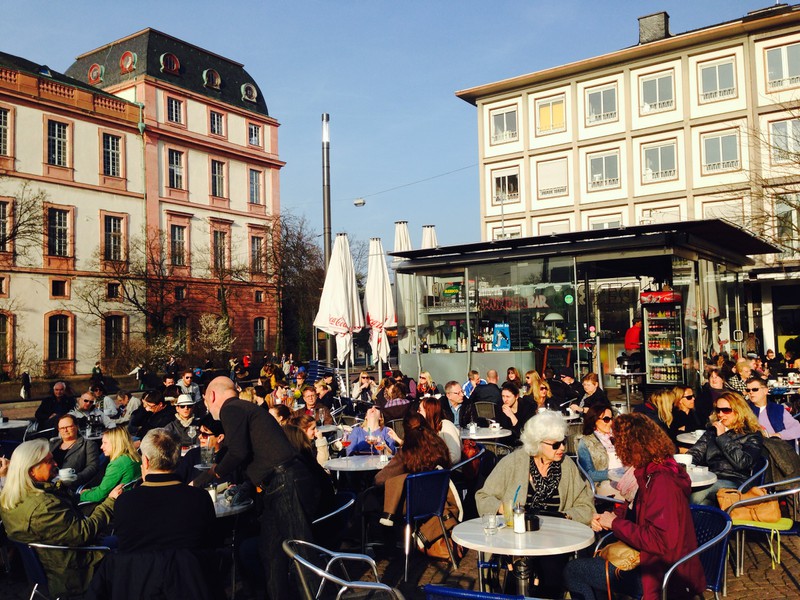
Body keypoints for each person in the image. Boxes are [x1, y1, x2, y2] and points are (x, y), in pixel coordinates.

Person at [200, 376, 320, 600]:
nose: (207, 405)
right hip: (277, 483)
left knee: (301, 553)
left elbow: (238, 452)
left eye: (206, 400)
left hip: (283, 481)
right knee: (270, 552)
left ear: (212, 395)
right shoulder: (245, 408)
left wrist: (212, 473)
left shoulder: (231, 408)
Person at [565, 413, 705, 600]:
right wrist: (610, 517)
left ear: (629, 445)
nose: (615, 447)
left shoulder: (660, 481)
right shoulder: (653, 471)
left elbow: (659, 541)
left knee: (574, 570)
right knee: (593, 560)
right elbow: (639, 511)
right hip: (658, 563)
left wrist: (615, 523)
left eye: (615, 440)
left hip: (660, 573)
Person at [476, 410, 594, 598]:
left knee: (552, 572)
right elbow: (483, 496)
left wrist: (568, 516)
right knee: (519, 570)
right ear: (537, 444)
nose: (562, 448)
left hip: (556, 540)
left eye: (563, 441)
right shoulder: (514, 462)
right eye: (555, 444)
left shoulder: (567, 466)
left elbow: (586, 505)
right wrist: (505, 510)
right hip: (517, 538)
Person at [0, 439, 121, 597]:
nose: (56, 464)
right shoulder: (44, 506)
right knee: (132, 546)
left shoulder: (10, 498)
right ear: (31, 471)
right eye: (49, 461)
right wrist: (110, 502)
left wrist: (58, 485)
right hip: (71, 569)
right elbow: (83, 532)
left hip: (49, 562)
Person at [114, 428, 216, 551]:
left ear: (145, 461)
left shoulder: (125, 501)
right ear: (178, 460)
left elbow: (125, 546)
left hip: (140, 569)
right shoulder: (200, 498)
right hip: (187, 567)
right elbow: (209, 543)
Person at [686, 391, 764, 505]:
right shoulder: (712, 431)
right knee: (702, 503)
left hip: (736, 480)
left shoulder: (751, 434)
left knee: (698, 493)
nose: (721, 414)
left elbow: (743, 463)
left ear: (738, 411)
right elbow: (696, 452)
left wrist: (722, 437)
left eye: (726, 410)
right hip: (710, 476)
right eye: (718, 410)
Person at [374, 412, 451, 486]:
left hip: (414, 496)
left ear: (405, 431)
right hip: (440, 494)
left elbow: (379, 480)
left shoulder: (407, 452)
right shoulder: (440, 445)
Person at [79, 427, 141, 503]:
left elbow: (99, 495)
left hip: (117, 504)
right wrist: (91, 490)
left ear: (116, 443)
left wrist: (81, 495)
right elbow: (105, 487)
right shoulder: (135, 457)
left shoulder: (117, 464)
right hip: (132, 499)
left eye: (105, 443)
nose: (101, 447)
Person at [577, 405, 623, 498]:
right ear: (594, 420)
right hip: (604, 483)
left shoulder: (619, 436)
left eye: (611, 419)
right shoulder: (585, 442)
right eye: (606, 419)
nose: (610, 423)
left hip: (626, 479)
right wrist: (615, 473)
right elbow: (590, 474)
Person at [50, 414, 100, 488]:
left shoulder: (88, 445)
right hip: (51, 483)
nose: (65, 430)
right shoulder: (52, 445)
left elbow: (93, 467)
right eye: (62, 428)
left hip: (72, 485)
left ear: (76, 426)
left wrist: (75, 478)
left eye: (68, 427)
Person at [745, 376, 800, 441]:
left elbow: (797, 429)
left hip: (777, 446)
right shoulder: (745, 410)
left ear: (765, 391)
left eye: (755, 389)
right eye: (748, 390)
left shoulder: (778, 409)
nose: (751, 392)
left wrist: (777, 435)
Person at [420, 396, 461, 464]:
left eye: (419, 410)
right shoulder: (425, 429)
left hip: (447, 471)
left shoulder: (446, 426)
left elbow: (455, 457)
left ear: (429, 411)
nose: (417, 412)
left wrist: (433, 465)